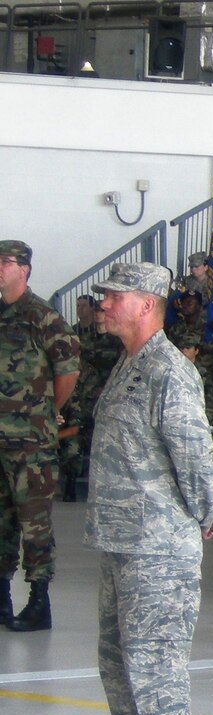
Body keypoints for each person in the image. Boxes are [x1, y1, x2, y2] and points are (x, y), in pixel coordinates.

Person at [78, 261, 213, 715]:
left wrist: (203, 510)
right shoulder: (129, 365)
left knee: (155, 659)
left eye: (115, 296)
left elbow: (193, 453)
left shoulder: (169, 371)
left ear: (146, 303)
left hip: (158, 545)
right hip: (121, 539)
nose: (104, 304)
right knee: (117, 658)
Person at [0, 239, 80, 631]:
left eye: (6, 262)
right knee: (0, 525)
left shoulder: (41, 316)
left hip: (30, 442)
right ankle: (1, 600)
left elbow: (68, 370)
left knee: (34, 525)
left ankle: (38, 603)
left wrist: (46, 412)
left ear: (24, 269)